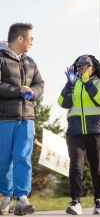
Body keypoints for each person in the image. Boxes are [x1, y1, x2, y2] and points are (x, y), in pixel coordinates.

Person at [0, 23, 44, 216]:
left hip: (27, 118)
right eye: (30, 39)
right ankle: (6, 197)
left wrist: (32, 93)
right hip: (4, 118)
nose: (31, 43)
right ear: (20, 38)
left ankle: (22, 198)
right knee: (4, 161)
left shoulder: (30, 62)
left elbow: (39, 84)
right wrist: (19, 91)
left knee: (23, 158)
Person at [57, 55, 100, 215]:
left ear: (93, 67)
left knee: (97, 168)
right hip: (75, 132)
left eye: (87, 64)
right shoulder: (73, 83)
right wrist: (69, 85)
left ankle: (98, 201)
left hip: (95, 131)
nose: (83, 67)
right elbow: (62, 103)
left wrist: (87, 82)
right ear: (75, 67)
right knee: (75, 166)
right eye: (80, 65)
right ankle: (75, 202)